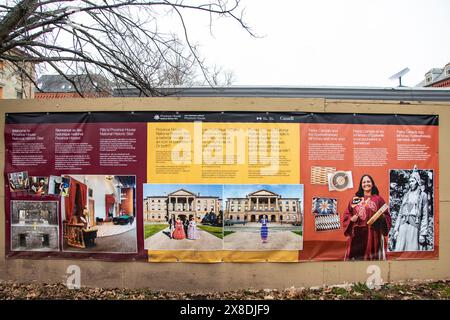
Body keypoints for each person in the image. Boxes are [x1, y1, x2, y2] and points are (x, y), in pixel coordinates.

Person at [343, 174, 391, 260]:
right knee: (357, 260)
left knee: (372, 259)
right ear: (361, 185)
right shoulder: (354, 199)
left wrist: (381, 217)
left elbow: (386, 215)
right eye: (364, 182)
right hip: (357, 236)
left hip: (373, 234)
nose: (366, 184)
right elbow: (347, 214)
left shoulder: (378, 199)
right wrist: (351, 218)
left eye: (368, 181)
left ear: (372, 184)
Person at [392, 169, 428, 251]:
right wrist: (396, 229)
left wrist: (423, 233)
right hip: (403, 226)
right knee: (400, 249)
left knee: (412, 250)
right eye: (410, 181)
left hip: (414, 226)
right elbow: (400, 214)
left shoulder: (423, 195)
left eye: (412, 181)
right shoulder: (406, 195)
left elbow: (425, 215)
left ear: (417, 181)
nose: (410, 183)